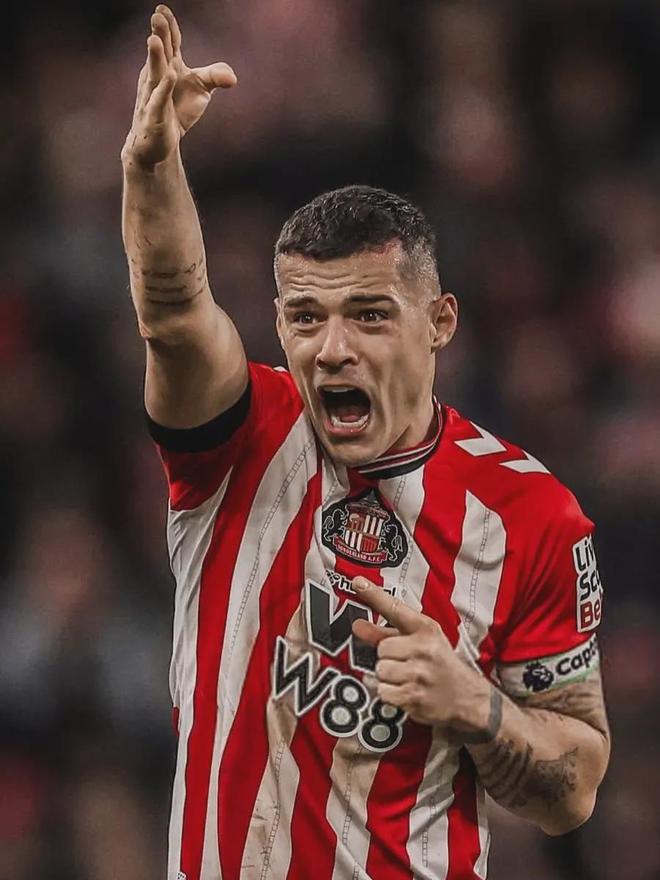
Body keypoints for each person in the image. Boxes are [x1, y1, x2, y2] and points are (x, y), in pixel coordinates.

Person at [121, 6, 610, 879]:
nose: (333, 348)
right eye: (306, 317)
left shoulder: (531, 514)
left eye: (370, 315)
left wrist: (474, 705)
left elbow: (571, 792)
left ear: (440, 322)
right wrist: (152, 169)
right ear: (280, 325)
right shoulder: (241, 439)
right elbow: (173, 312)